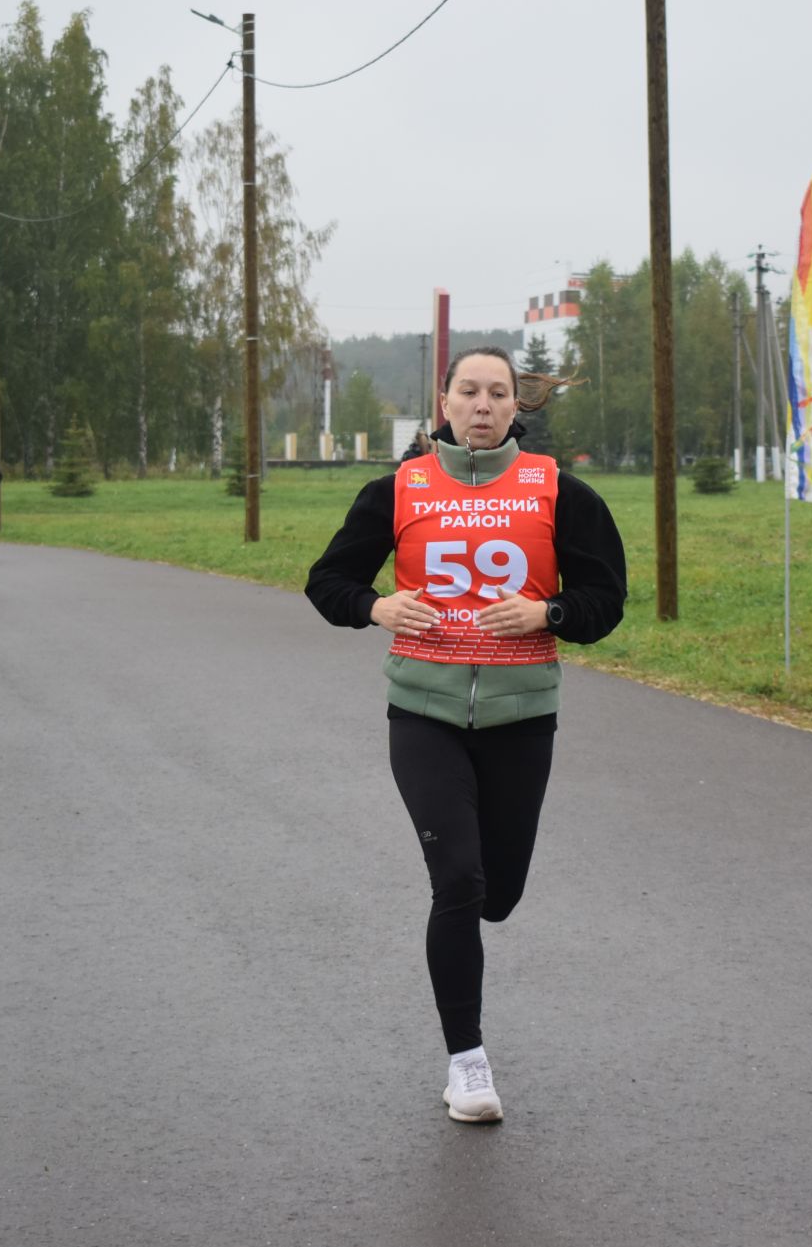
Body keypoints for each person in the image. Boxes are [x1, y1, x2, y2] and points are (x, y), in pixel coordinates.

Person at [305, 346, 626, 1124]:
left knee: (499, 894)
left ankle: (481, 919)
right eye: (468, 391)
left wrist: (545, 613)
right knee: (459, 881)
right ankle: (467, 1063)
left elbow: (604, 599)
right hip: (424, 713)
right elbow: (329, 581)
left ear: (519, 406)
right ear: (443, 402)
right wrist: (376, 607)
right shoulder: (397, 489)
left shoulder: (559, 492)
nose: (483, 404)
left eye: (499, 393)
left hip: (521, 717)